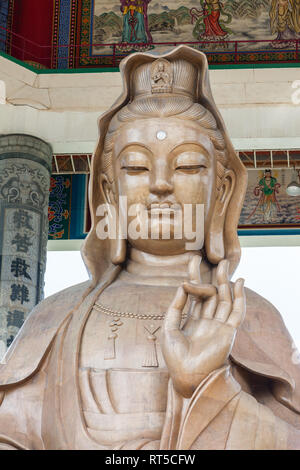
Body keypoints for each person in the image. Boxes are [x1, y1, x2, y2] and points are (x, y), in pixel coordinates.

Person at [0, 46, 299, 450]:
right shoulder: (56, 317)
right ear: (108, 189)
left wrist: (211, 386)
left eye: (188, 166)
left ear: (222, 191)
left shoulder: (249, 316)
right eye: (137, 167)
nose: (160, 184)